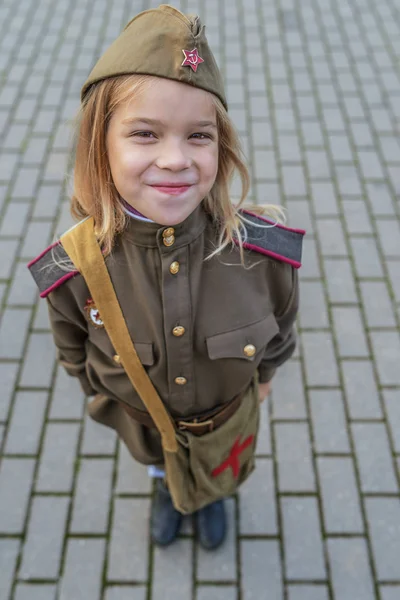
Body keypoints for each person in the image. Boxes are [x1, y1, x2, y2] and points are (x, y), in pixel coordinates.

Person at [28, 4, 304, 550]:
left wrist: (264, 379)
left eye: (198, 135)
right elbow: (74, 349)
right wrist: (106, 398)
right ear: (100, 145)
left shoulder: (266, 255)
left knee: (219, 470)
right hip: (142, 424)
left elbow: (282, 330)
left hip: (224, 426)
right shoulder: (72, 268)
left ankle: (214, 493)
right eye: (145, 134)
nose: (176, 159)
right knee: (158, 461)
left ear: (220, 145)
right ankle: (165, 487)